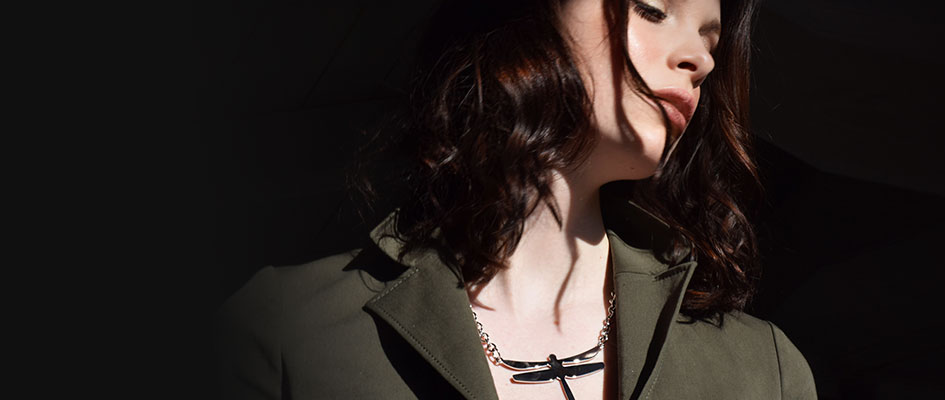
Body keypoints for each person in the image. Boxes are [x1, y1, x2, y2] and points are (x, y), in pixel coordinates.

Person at [216, 0, 816, 399]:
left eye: (712, 41)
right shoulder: (288, 333)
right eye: (651, 8)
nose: (701, 59)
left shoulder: (764, 372)